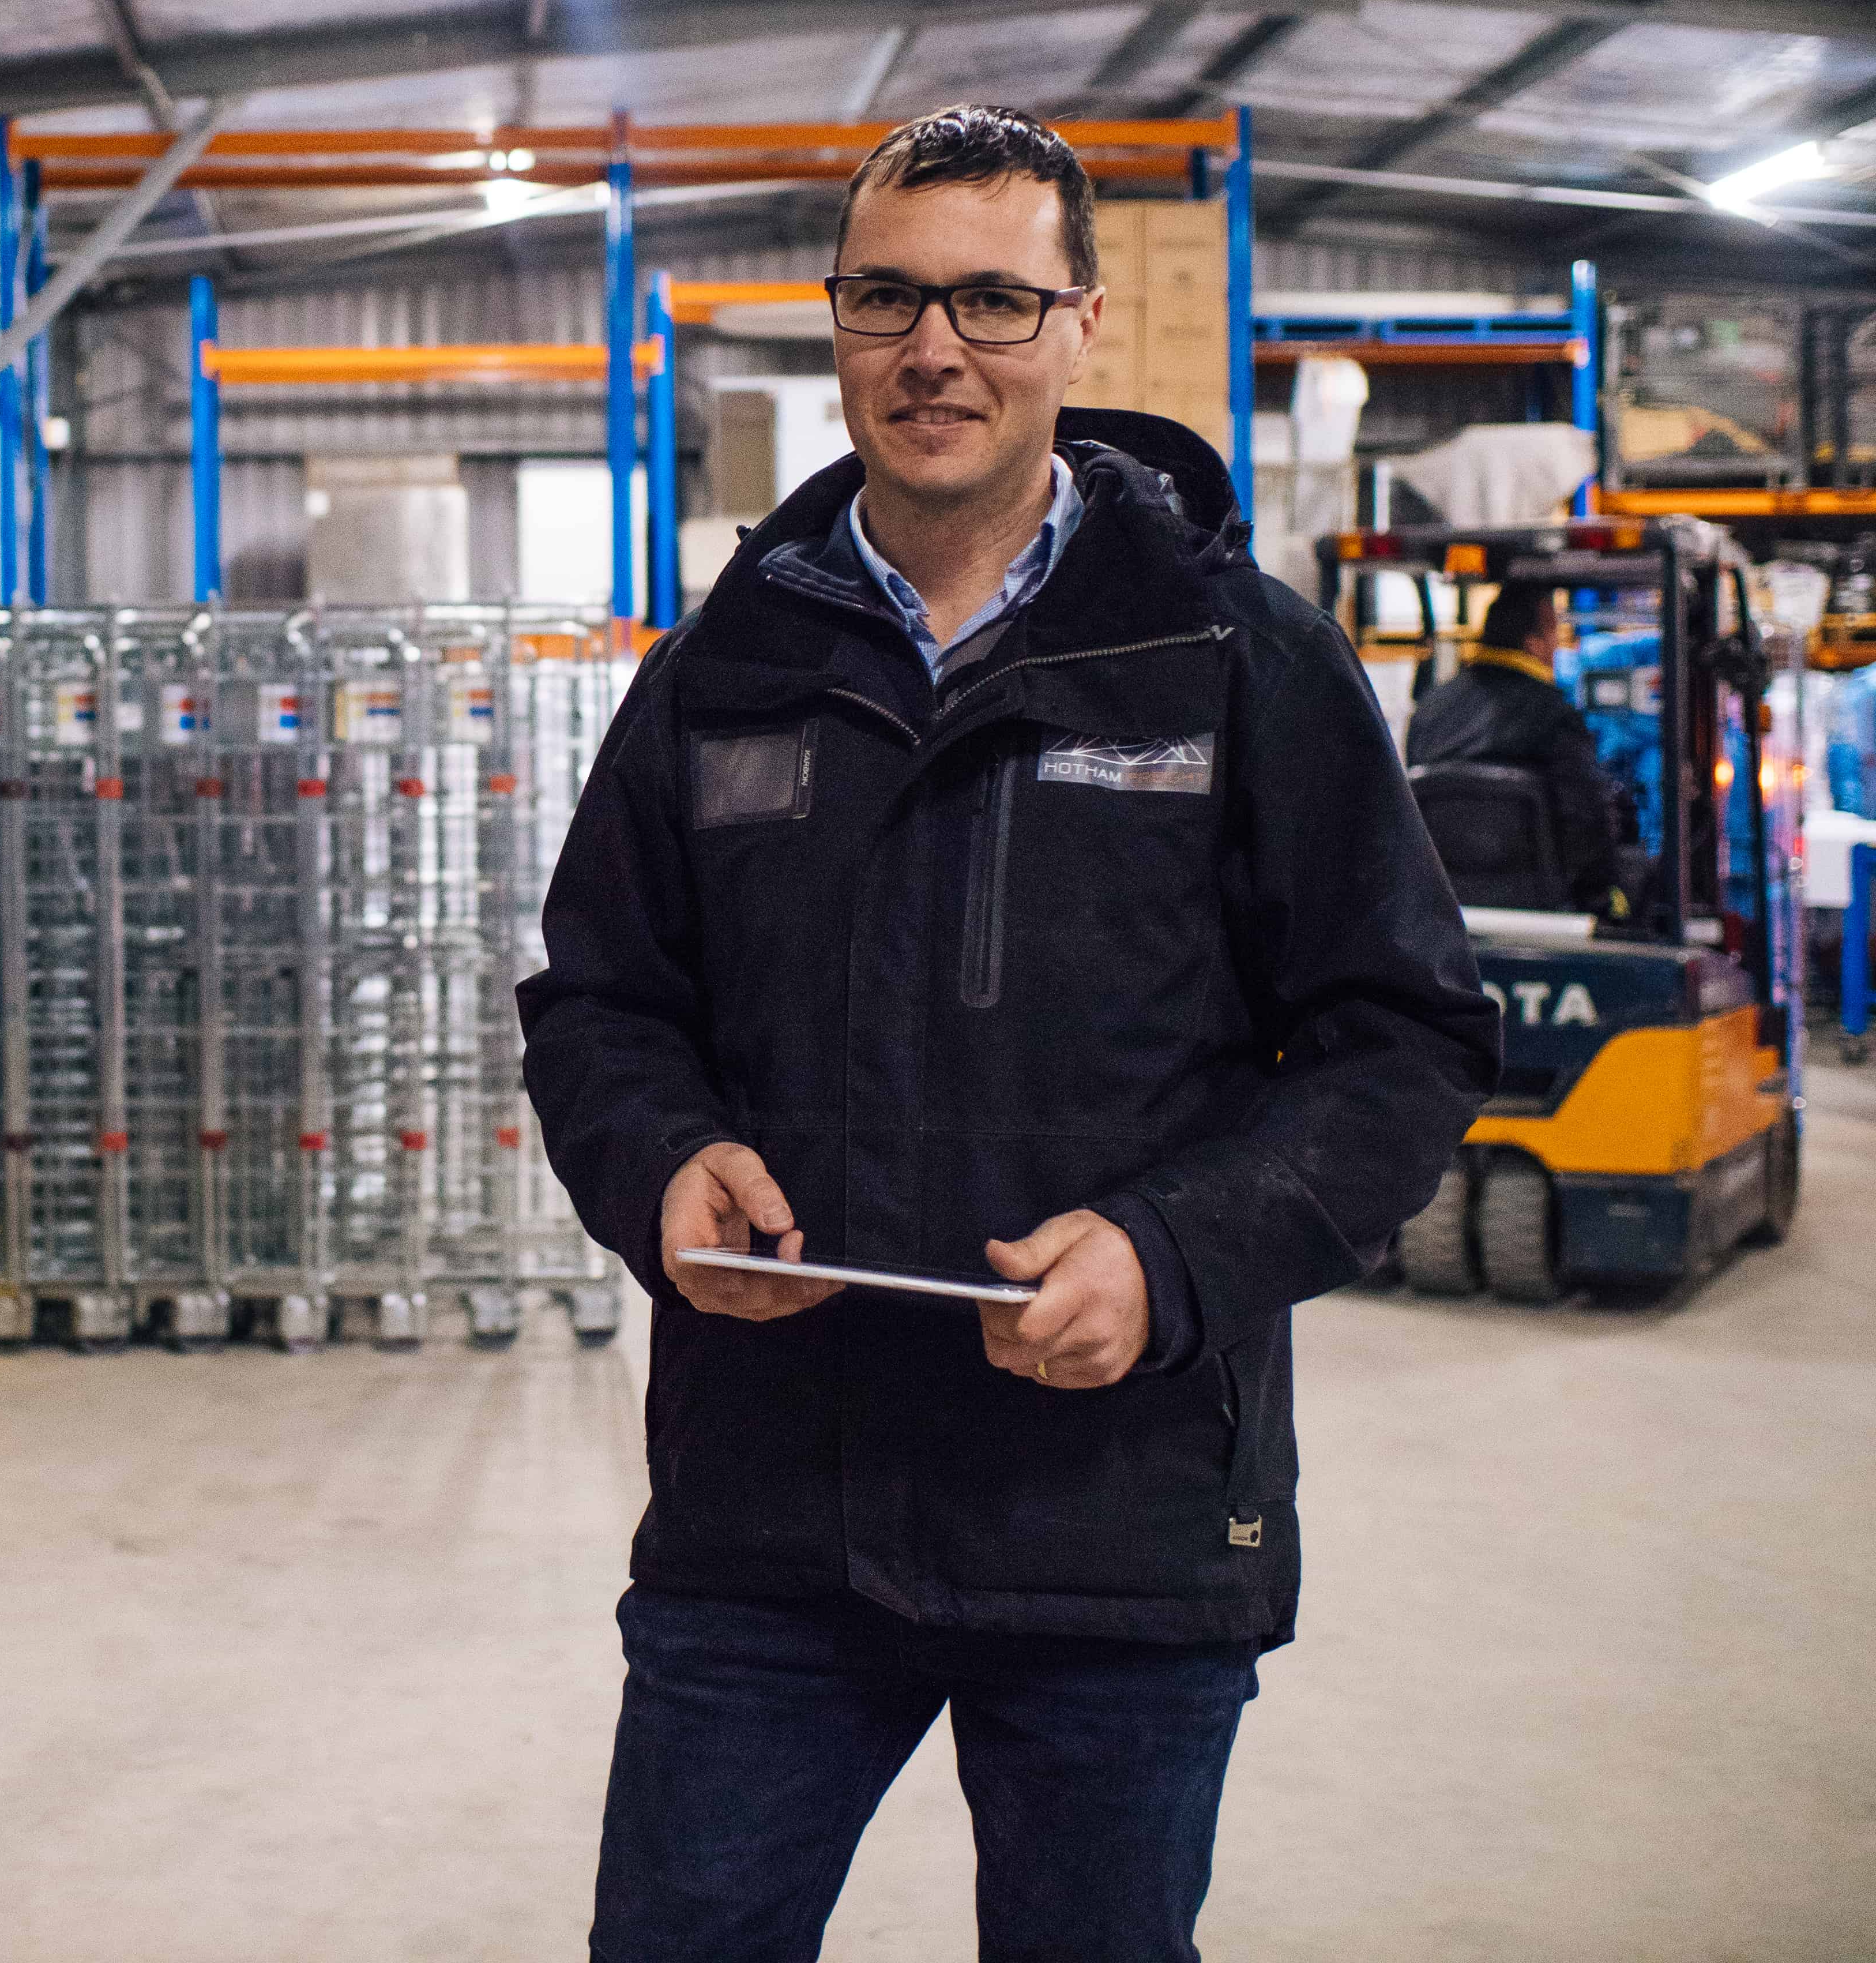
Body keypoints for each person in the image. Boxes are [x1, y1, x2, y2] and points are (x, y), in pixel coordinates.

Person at [518, 106, 1499, 1963]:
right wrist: (662, 1166)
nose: (933, 349)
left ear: (1079, 327)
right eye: (887, 298)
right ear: (836, 324)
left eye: (988, 298)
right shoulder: (726, 670)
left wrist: (1176, 1250)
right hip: (771, 1511)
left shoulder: (1236, 663)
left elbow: (1403, 1036)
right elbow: (602, 1002)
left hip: (1114, 1514)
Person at [1405, 580, 1624, 913]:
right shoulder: (1553, 714)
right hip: (1544, 915)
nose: (1556, 648)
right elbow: (1586, 823)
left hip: (1443, 908)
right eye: (1553, 635)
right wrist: (1604, 899)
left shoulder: (1430, 710)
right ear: (1532, 643)